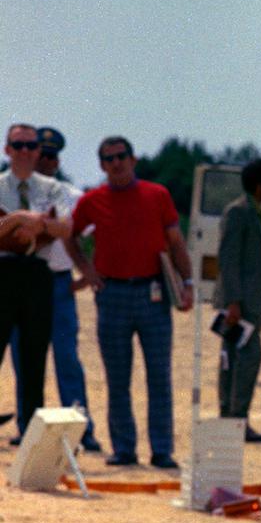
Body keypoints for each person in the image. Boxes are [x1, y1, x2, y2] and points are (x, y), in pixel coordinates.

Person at [72, 136, 194, 467]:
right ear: (101, 165)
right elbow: (70, 235)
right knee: (118, 377)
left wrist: (187, 282)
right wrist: (86, 270)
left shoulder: (157, 195)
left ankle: (162, 450)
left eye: (121, 156)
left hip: (153, 293)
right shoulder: (91, 201)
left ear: (134, 159)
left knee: (159, 375)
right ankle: (124, 448)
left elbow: (176, 241)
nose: (116, 163)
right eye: (109, 158)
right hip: (111, 294)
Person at [11, 128, 101, 451]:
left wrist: (85, 276)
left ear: (57, 159)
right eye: (39, 154)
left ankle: (80, 429)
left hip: (57, 283)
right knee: (24, 359)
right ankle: (27, 428)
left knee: (67, 359)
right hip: (18, 282)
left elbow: (91, 237)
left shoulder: (71, 195)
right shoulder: (15, 192)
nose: (44, 160)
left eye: (49, 155)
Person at [0, 124, 74, 441]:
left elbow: (65, 229)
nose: (26, 151)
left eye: (31, 146)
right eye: (19, 145)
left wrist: (33, 226)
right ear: (7, 150)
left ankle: (30, 433)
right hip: (1, 274)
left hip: (37, 276)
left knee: (34, 357)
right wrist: (20, 219)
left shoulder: (54, 188)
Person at [214, 157, 261, 441]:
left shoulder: (254, 212)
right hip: (239, 305)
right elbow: (228, 259)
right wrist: (233, 301)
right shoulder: (238, 212)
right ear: (259, 184)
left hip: (247, 304)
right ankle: (235, 419)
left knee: (234, 358)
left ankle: (232, 418)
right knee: (245, 358)